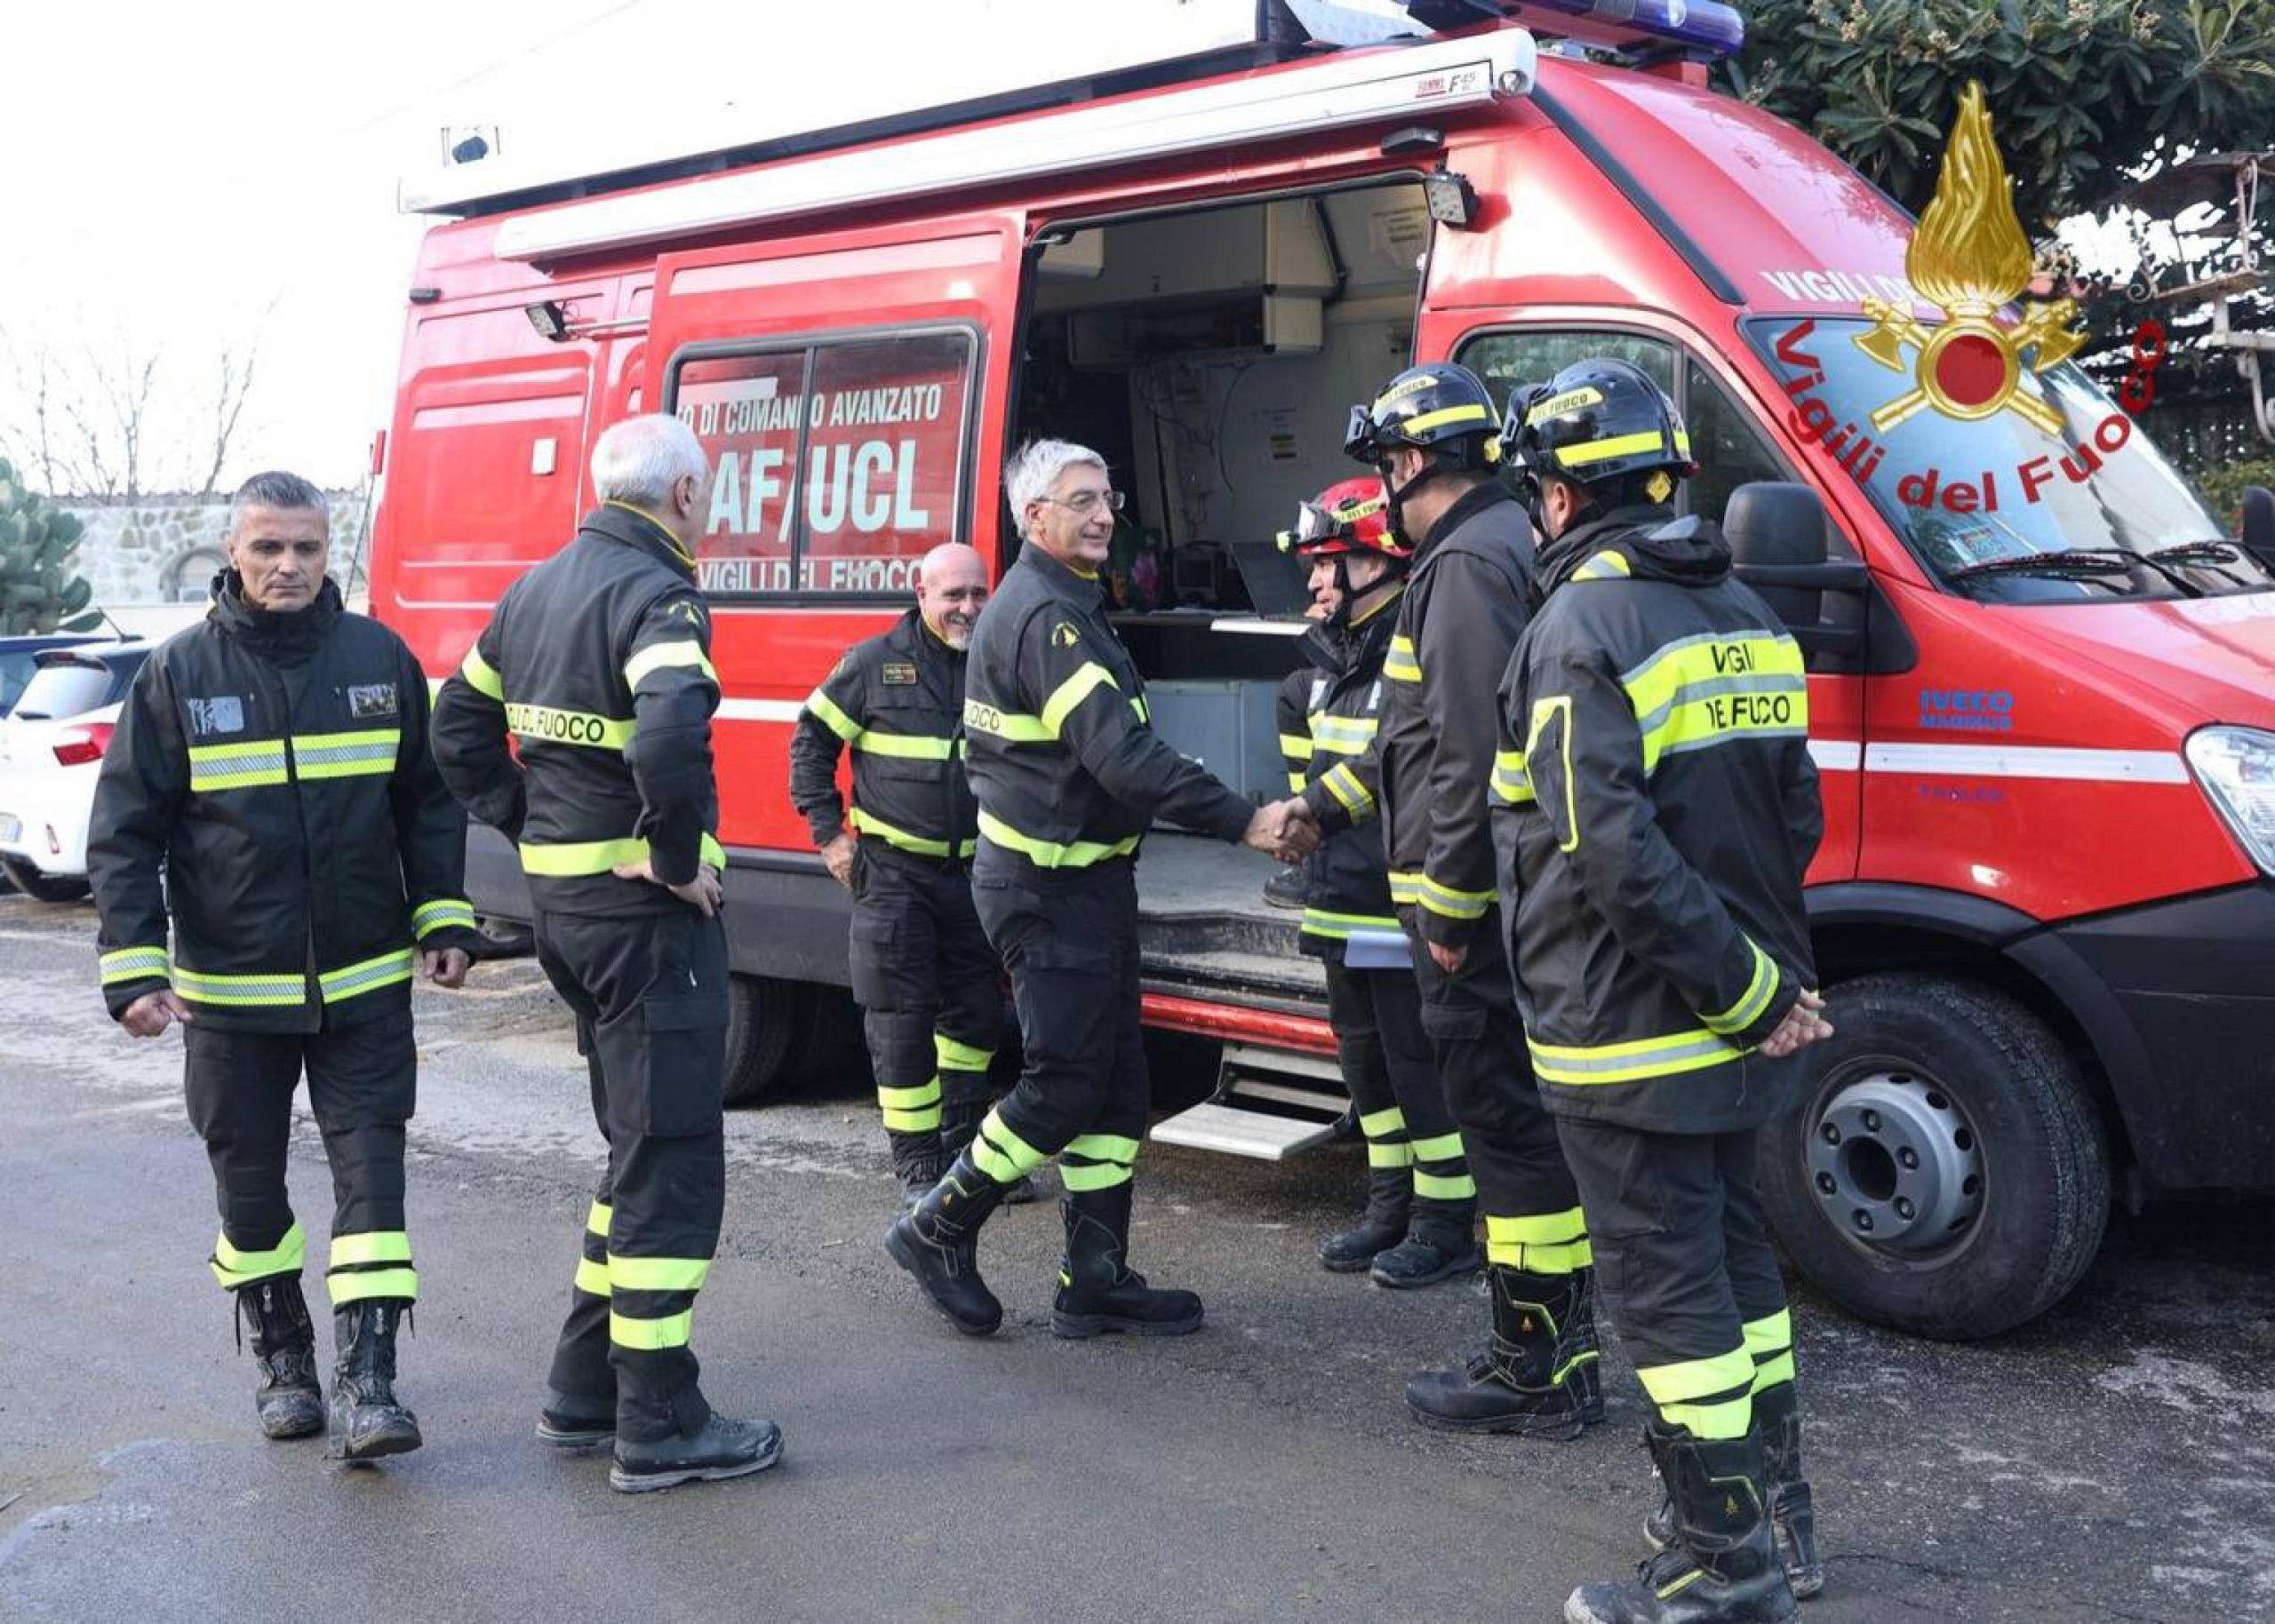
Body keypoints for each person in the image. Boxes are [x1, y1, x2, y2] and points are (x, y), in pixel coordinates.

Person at [1493, 358, 1831, 1623]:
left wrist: (1733, 986)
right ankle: (1777, 1528)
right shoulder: (1747, 611)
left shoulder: (1576, 628)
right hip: (1739, 1018)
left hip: (1628, 1028)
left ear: (1565, 500)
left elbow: (1608, 850)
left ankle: (1720, 1573)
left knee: (1667, 1288)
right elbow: (1791, 816)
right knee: (1740, 1269)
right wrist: (1759, 984)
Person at [884, 438, 1315, 1338]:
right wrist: (1245, 819)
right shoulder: (1047, 616)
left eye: (1107, 496)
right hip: (1047, 889)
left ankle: (1095, 1277)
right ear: (1032, 516)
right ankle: (939, 1224)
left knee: (1117, 1086)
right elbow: (1122, 758)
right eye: (1079, 499)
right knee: (1065, 1081)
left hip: (1084, 883)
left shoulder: (1063, 605)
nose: (1102, 513)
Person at [88, 470, 477, 1461]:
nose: (289, 565)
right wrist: (135, 970)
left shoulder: (379, 658)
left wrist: (443, 916)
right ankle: (286, 1359)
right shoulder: (176, 675)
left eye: (306, 546)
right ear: (233, 550)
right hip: (229, 998)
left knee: (373, 1188)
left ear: (328, 548)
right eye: (268, 547)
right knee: (251, 1194)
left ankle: (371, 1381)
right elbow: (125, 832)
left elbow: (425, 802)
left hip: (362, 988)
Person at [429, 413, 781, 1494]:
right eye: (706, 492)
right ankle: (659, 1418)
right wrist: (674, 858)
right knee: (670, 1160)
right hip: (645, 928)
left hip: (566, 917)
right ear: (681, 494)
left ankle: (585, 1389)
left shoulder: (535, 587)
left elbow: (456, 724)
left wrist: (526, 818)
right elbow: (671, 736)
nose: (707, 508)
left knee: (633, 1147)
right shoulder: (658, 595)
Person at [1311, 363, 1600, 1436]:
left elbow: (1475, 749)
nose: (1383, 483)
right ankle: (1544, 1352)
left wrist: (1450, 910)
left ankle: (1536, 1368)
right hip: (1497, 908)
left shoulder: (1468, 560)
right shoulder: (1491, 543)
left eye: (1385, 462)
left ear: (1414, 460)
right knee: (1516, 1132)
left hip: (1470, 921)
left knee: (1506, 1135)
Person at [787, 542, 1034, 1210]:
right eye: (953, 595)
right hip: (893, 875)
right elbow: (810, 740)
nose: (967, 608)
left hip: (976, 874)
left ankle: (960, 1154)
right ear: (919, 591)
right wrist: (829, 834)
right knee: (900, 1024)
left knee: (975, 1021)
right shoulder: (872, 664)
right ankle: (918, 1169)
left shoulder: (1000, 662)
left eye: (978, 594)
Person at [1277, 478, 1480, 1286]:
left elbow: (1401, 771)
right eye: (1317, 569)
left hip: (1398, 903)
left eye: (1334, 564)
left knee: (1417, 1067)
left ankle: (1443, 1223)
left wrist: (1309, 815)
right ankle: (1388, 1206)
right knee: (1367, 1069)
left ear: (1384, 560)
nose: (1318, 582)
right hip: (1338, 902)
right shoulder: (1321, 668)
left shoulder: (1409, 644)